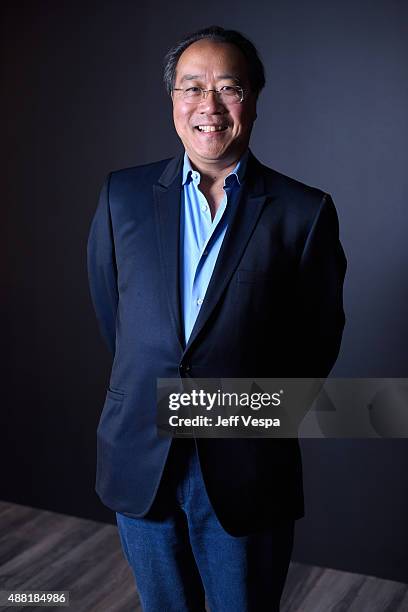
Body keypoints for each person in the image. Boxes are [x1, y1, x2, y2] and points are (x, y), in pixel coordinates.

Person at [87, 25, 346, 612]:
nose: (209, 105)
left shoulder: (303, 213)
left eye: (228, 88)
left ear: (252, 99)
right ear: (172, 100)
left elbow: (316, 344)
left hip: (246, 468)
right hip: (140, 454)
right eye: (191, 87)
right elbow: (117, 319)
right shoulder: (120, 196)